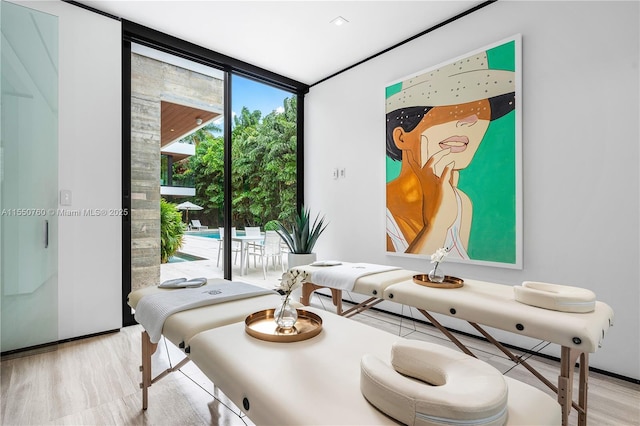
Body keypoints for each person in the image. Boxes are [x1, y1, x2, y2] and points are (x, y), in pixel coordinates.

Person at [385, 51, 515, 258]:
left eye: (481, 109)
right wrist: (436, 225)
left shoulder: (460, 203)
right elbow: (400, 278)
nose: (471, 119)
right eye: (451, 109)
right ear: (402, 137)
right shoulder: (382, 209)